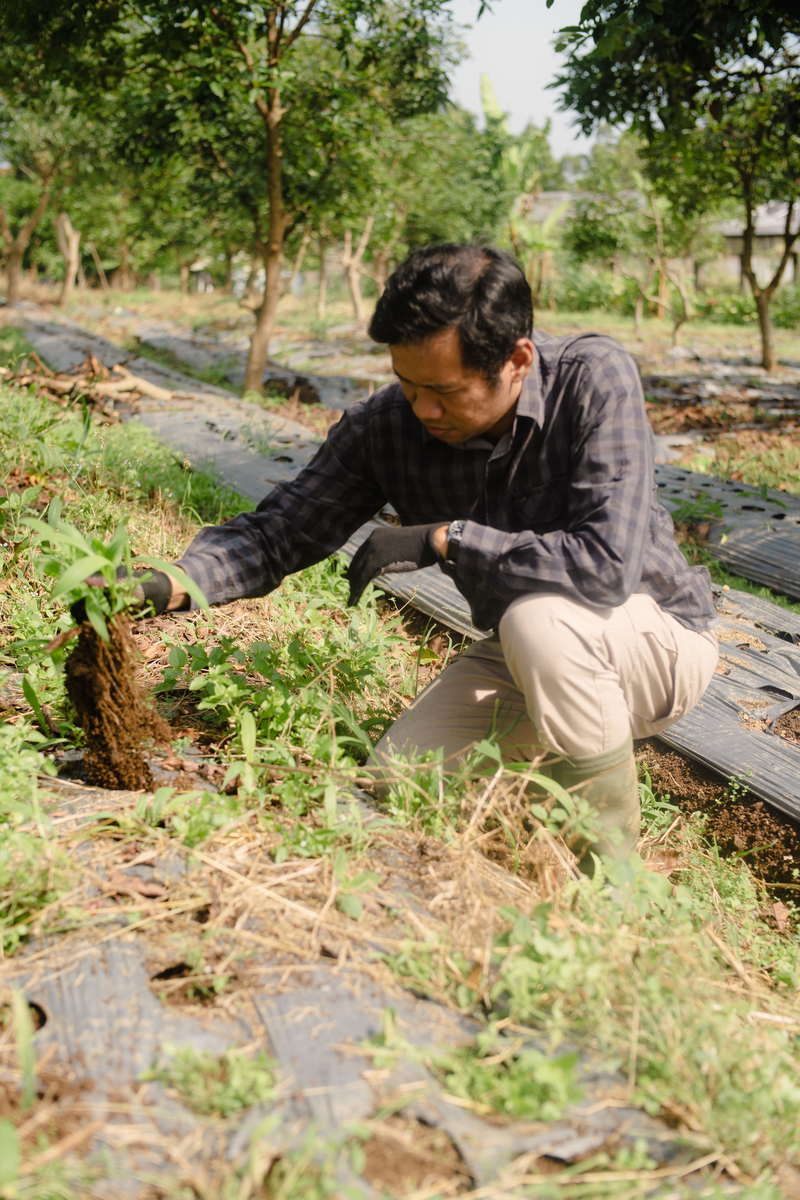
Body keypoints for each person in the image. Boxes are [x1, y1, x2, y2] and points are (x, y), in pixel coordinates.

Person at [134, 244, 719, 868]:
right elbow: (280, 531)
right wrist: (168, 581)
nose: (424, 411)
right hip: (534, 657)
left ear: (517, 360)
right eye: (407, 385)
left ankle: (614, 877)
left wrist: (449, 537)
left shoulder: (590, 377)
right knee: (402, 777)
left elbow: (604, 567)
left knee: (538, 620)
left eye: (443, 391)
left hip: (656, 639)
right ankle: (546, 809)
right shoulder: (389, 427)